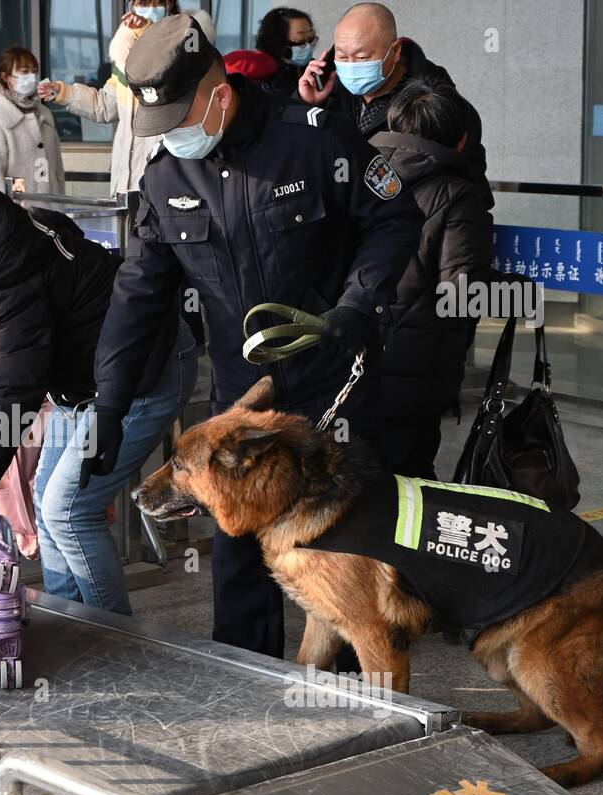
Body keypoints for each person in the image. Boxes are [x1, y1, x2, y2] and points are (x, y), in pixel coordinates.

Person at [86, 14, 423, 657]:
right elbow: (139, 294)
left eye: (181, 120)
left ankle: (354, 688)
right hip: (245, 389)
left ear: (217, 95)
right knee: (236, 544)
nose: (174, 138)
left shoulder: (316, 140)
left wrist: (355, 304)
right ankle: (246, 677)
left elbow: (393, 220)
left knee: (345, 537)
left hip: (334, 374)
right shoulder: (166, 178)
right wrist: (110, 402)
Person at [0, 177, 198, 615]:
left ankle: (117, 644)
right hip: (79, 385)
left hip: (144, 370)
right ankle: (70, 628)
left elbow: (4, 402)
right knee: (49, 514)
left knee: (69, 511)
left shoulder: (1, 280)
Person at [370, 78, 494, 479]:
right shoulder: (455, 194)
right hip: (415, 371)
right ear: (461, 142)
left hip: (346, 357)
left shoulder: (356, 171)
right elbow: (461, 295)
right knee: (408, 481)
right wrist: (520, 294)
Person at [297, 2, 491, 205]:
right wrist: (305, 104)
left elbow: (469, 172)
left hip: (413, 224)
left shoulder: (434, 101)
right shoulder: (327, 89)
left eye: (362, 57)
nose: (351, 66)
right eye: (342, 56)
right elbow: (295, 153)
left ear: (396, 50)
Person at [39, 3, 216, 201]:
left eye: (154, 3)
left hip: (168, 179)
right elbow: (105, 106)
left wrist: (148, 32)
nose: (147, 9)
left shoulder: (191, 38)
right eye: (141, 3)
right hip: (126, 183)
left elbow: (173, 64)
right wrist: (64, 92)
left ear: (168, 3)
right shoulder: (126, 55)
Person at [0, 47, 65, 195]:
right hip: (17, 213)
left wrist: (59, 208)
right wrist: (1, 214)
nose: (31, 76)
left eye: (34, 71)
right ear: (5, 77)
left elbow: (57, 171)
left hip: (51, 212)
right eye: (24, 71)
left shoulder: (44, 115)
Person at [254, 6, 318, 98]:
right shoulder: (267, 78)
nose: (308, 46)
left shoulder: (312, 67)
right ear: (279, 42)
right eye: (300, 40)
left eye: (311, 38)